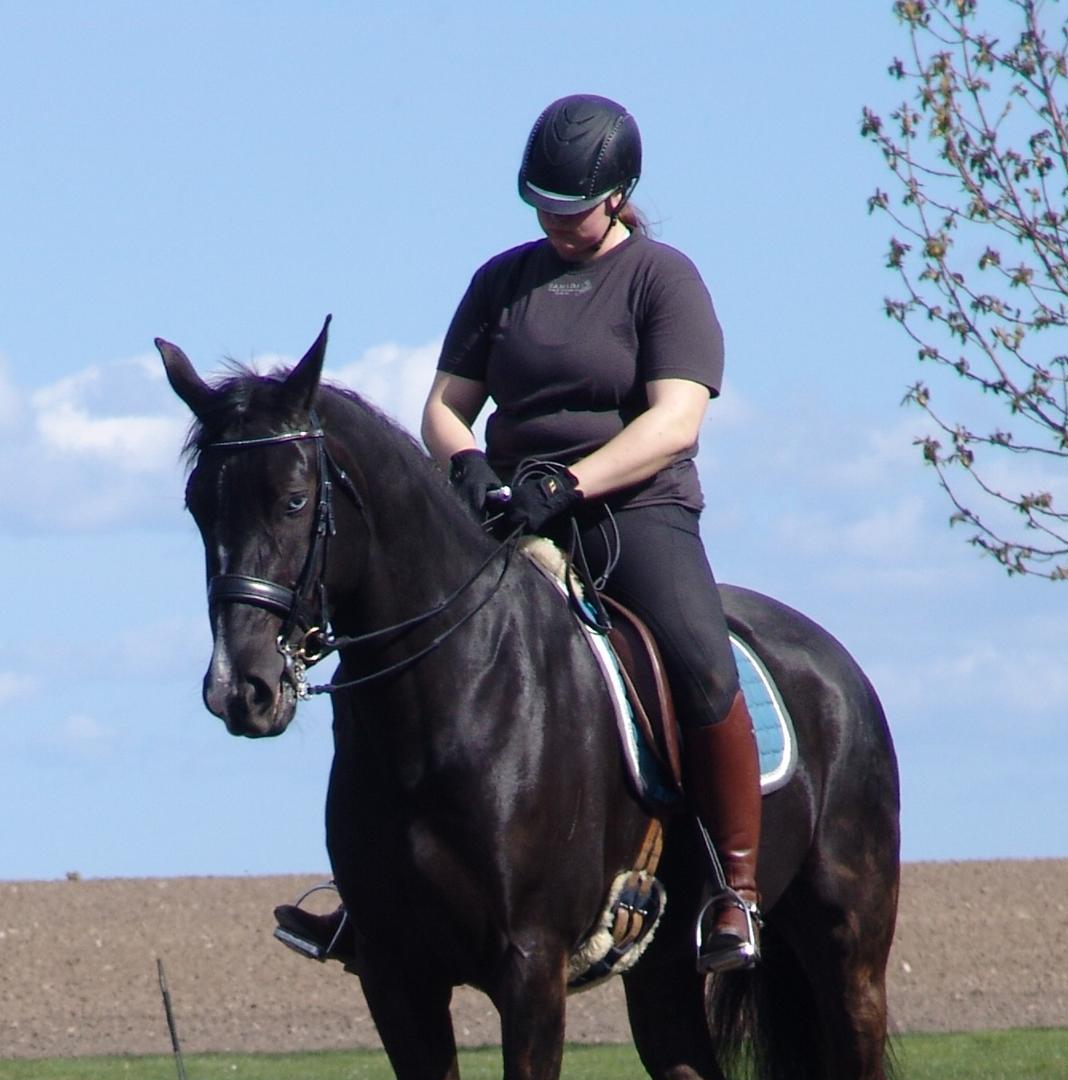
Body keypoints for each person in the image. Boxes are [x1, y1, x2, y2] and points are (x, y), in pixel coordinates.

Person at [276, 93, 762, 974]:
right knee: (383, 658)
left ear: (619, 195)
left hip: (630, 512)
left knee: (700, 660)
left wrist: (571, 481)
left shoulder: (662, 279)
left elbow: (675, 421)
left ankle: (734, 888)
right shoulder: (500, 280)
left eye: (573, 207)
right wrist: (466, 461)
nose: (556, 221)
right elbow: (444, 405)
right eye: (541, 205)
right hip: (503, 510)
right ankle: (370, 893)